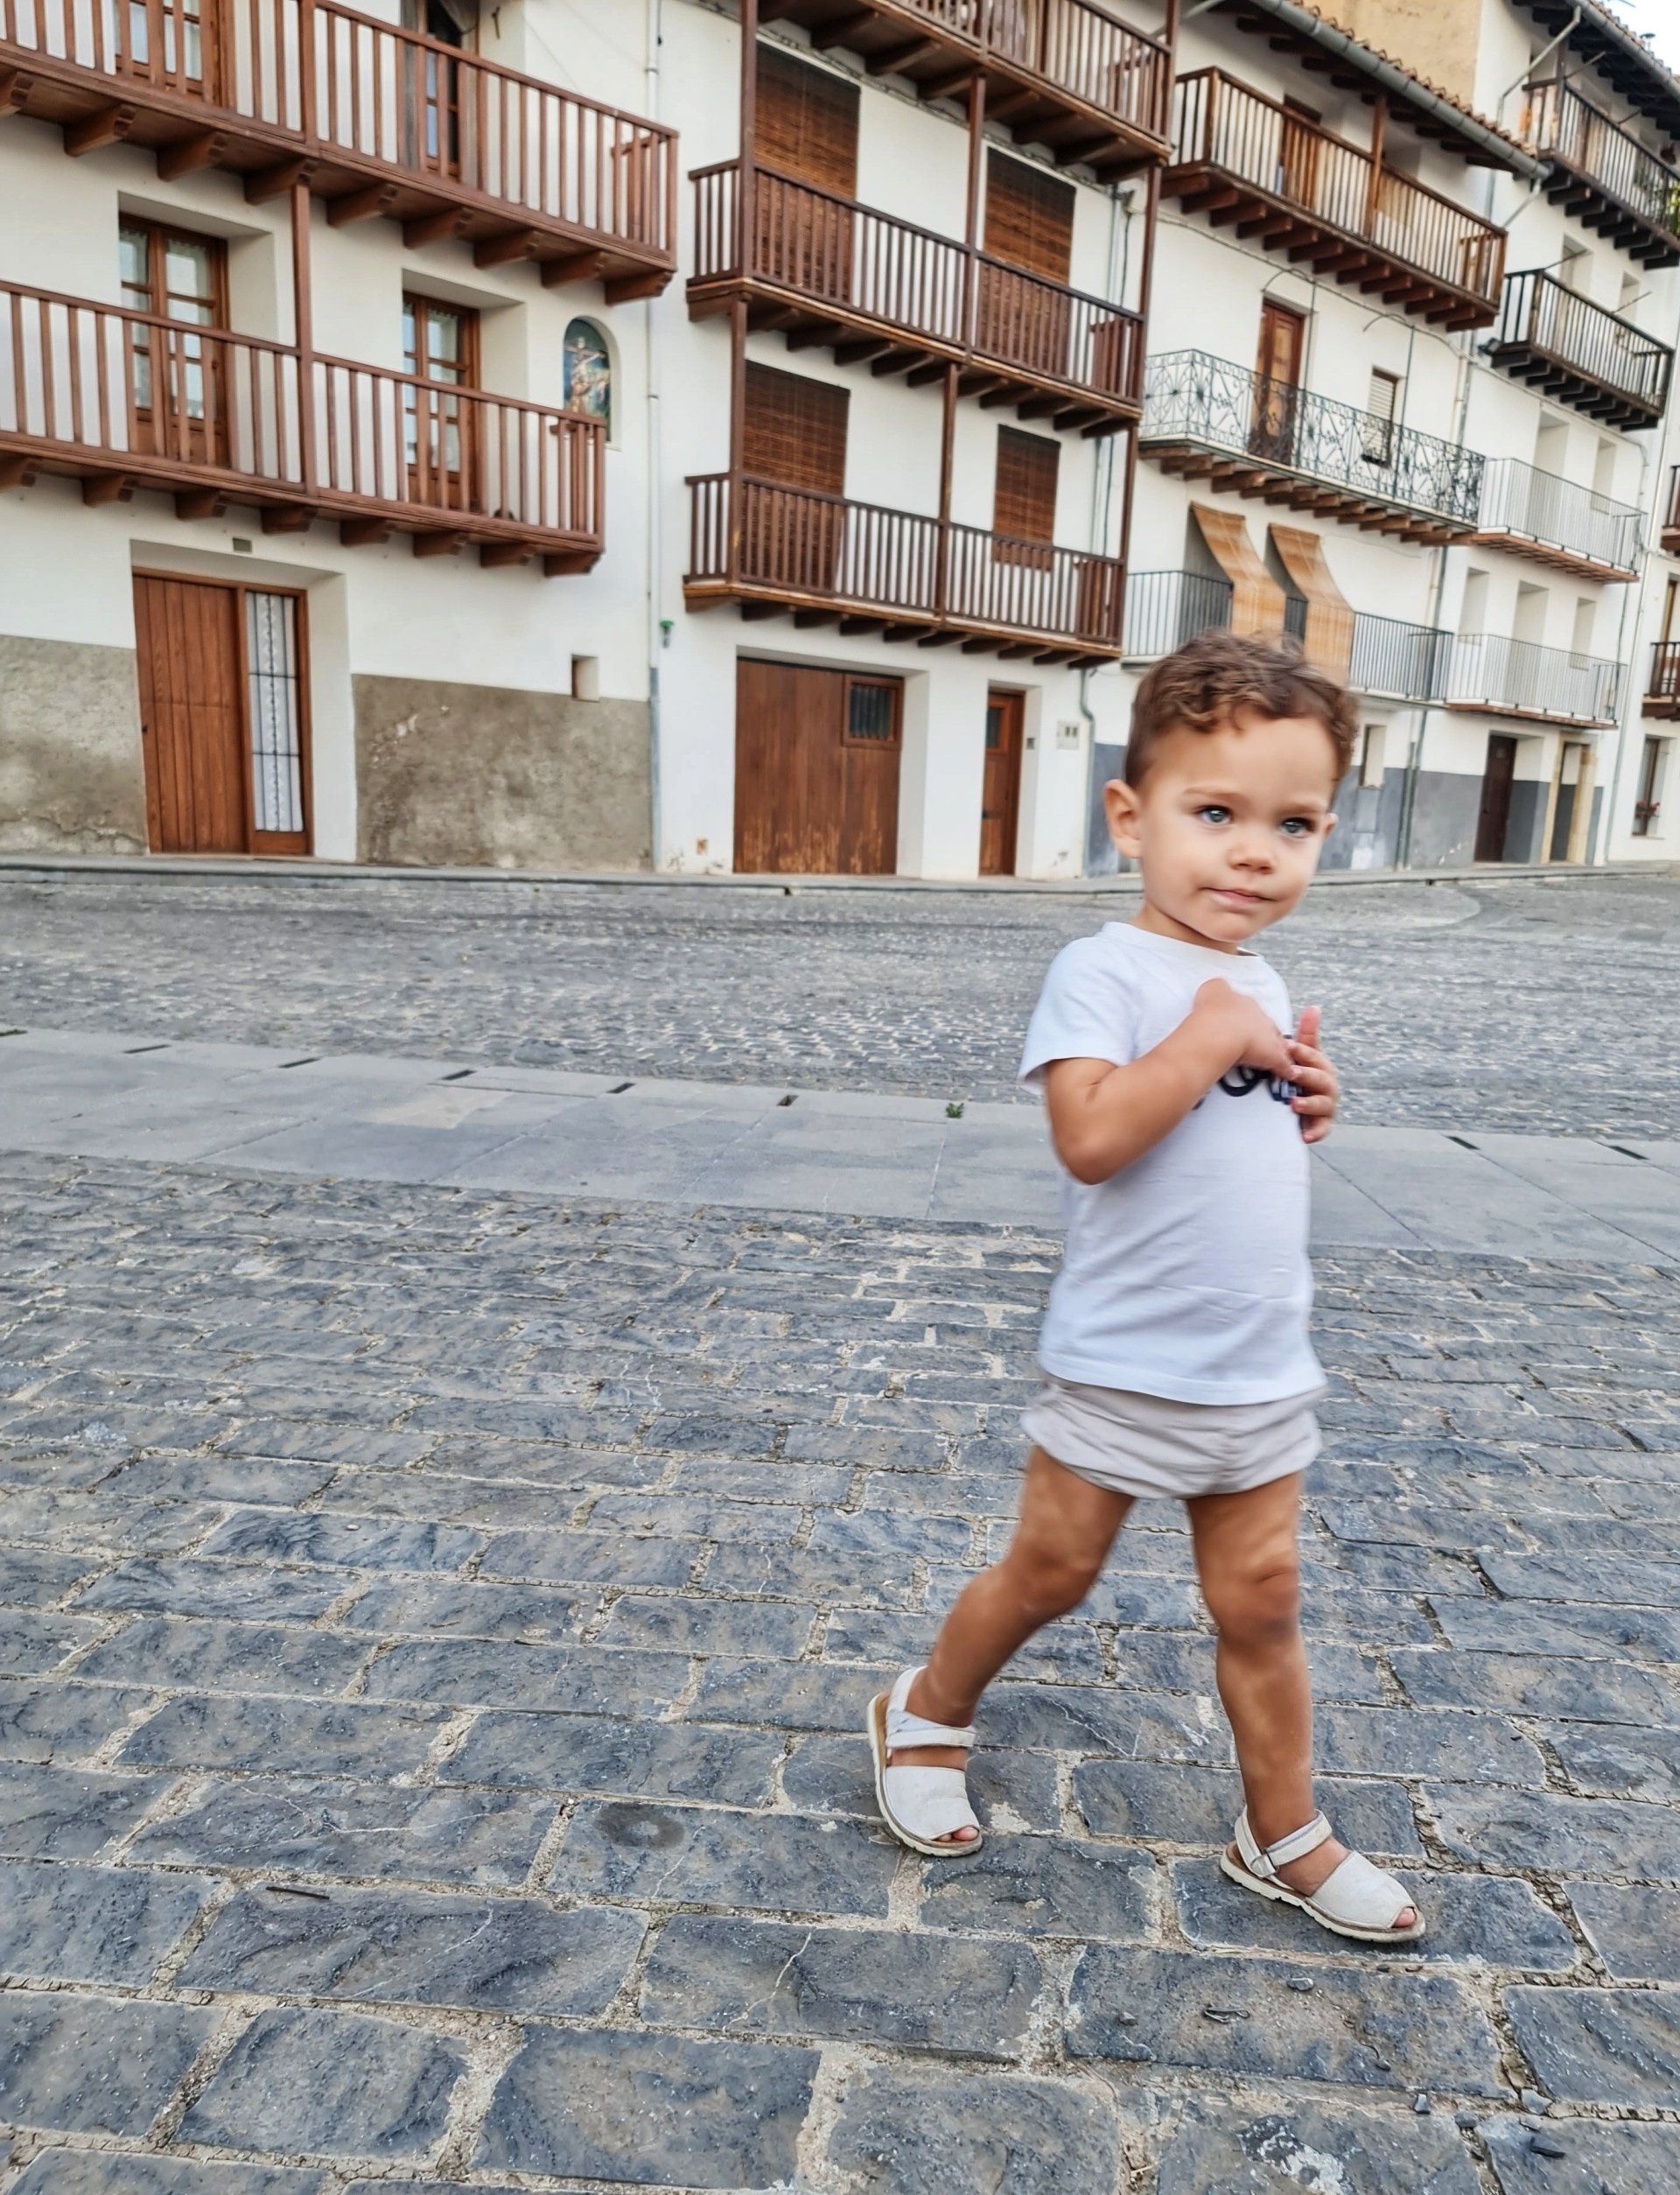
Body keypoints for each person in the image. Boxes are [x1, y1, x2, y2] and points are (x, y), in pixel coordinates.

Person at [868, 629, 1423, 1945]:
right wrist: (1212, 1034)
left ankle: (1282, 1827)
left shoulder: (1260, 978)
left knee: (1264, 1601)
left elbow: (1229, 1125)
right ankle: (925, 1710)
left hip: (1257, 1364)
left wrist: (1304, 1095)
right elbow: (1093, 1135)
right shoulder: (1104, 971)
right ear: (1132, 818)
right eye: (1215, 813)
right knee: (1052, 1571)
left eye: (1293, 825)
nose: (1253, 852)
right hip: (1124, 1359)